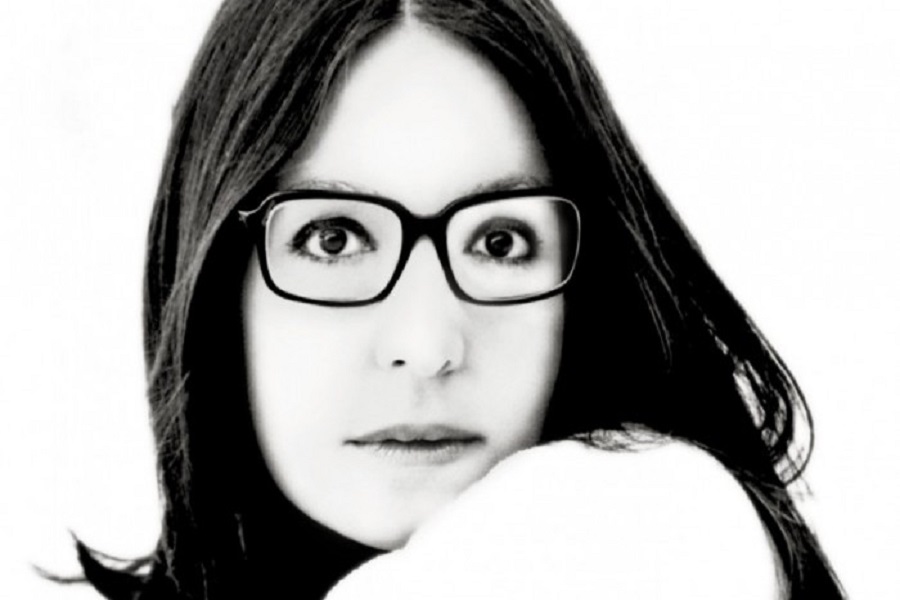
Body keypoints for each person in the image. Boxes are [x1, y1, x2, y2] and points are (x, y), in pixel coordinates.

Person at [71, 0, 846, 598]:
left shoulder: (652, 526)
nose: (426, 344)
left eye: (499, 242)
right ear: (217, 278)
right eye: (334, 238)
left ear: (583, 286)